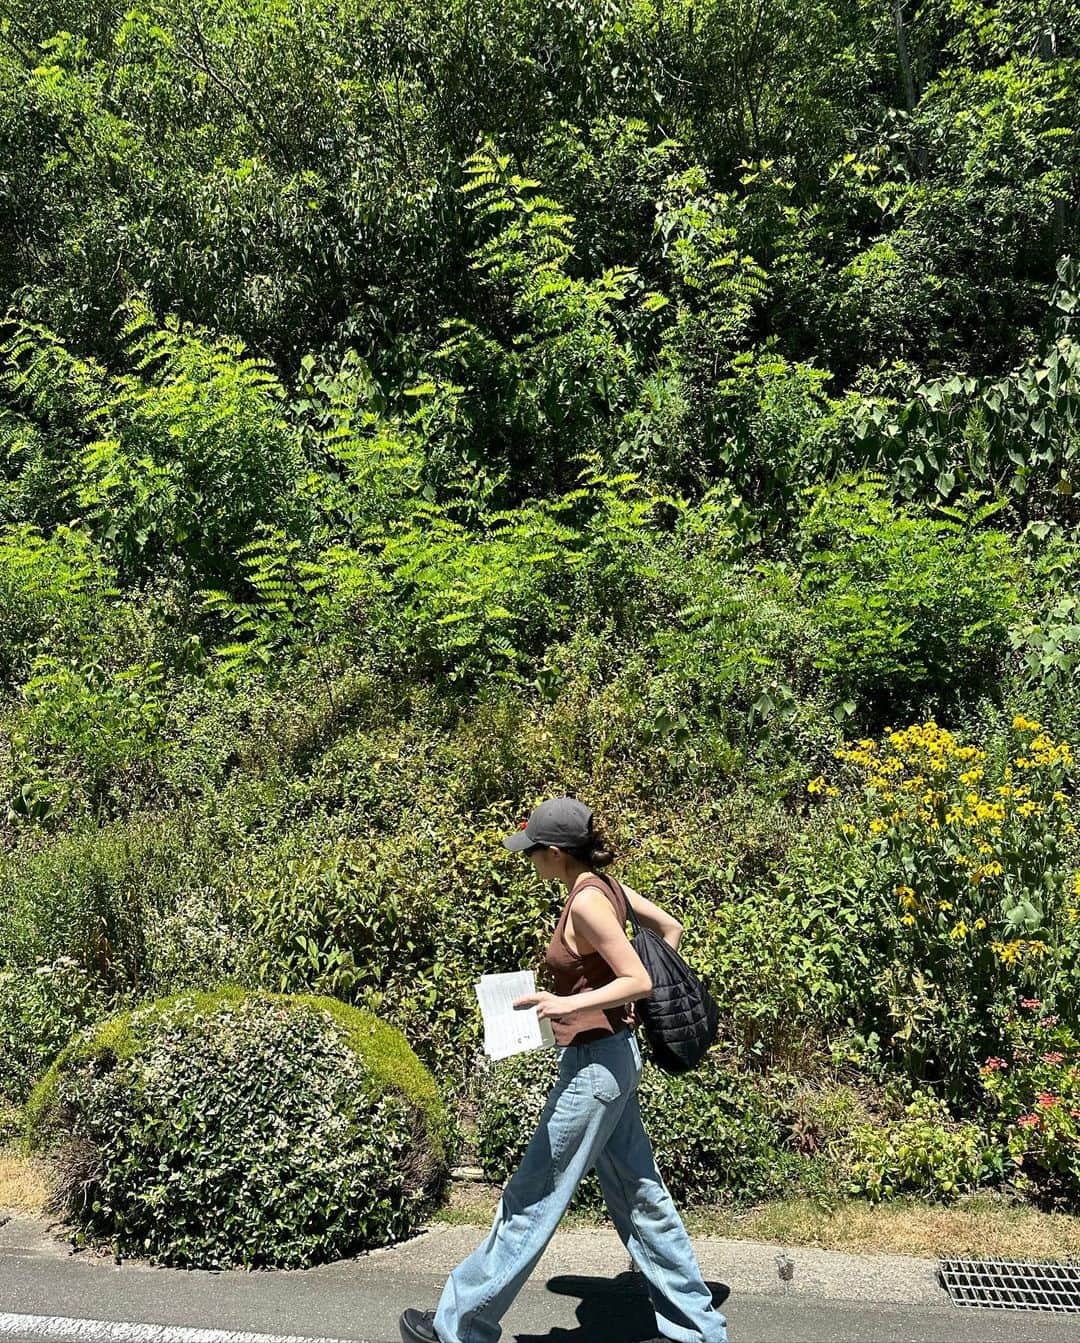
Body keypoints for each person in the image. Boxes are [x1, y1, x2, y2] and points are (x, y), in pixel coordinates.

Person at [400, 796, 729, 1343]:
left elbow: (640, 979)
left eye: (532, 852)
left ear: (555, 852)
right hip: (614, 1060)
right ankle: (700, 1331)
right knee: (642, 1198)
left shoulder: (586, 904)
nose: (528, 860)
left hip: (597, 1070)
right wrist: (611, 1009)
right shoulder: (607, 887)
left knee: (530, 1198)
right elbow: (669, 931)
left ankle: (457, 1327)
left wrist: (570, 1005)